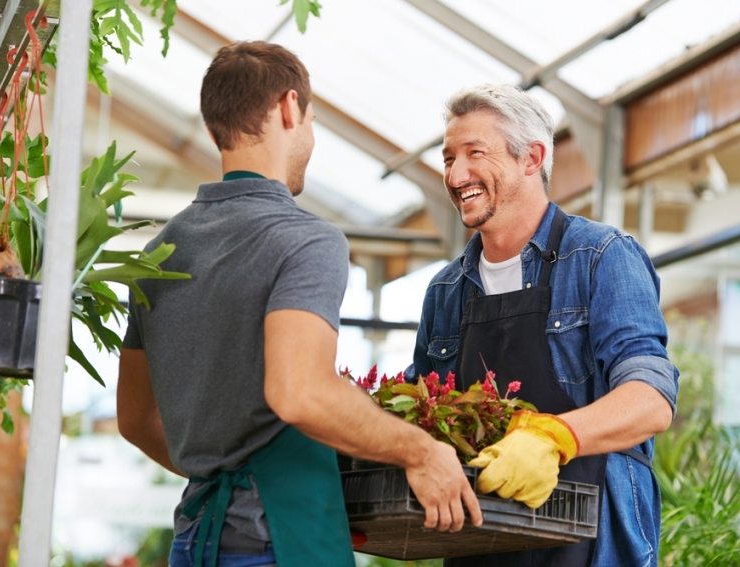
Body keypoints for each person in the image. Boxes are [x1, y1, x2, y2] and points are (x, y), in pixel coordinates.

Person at [116, 41, 482, 567]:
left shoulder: (163, 250)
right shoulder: (304, 240)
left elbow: (135, 418)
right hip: (278, 542)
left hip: (196, 540)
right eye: (309, 120)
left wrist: (222, 468)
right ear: (290, 108)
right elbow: (300, 393)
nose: (309, 135)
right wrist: (423, 451)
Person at [408, 84, 679, 566]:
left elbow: (650, 399)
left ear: (531, 159)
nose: (456, 174)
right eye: (449, 158)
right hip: (481, 542)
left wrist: (552, 437)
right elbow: (423, 416)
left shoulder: (600, 257)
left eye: (475, 153)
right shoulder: (446, 291)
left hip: (592, 542)